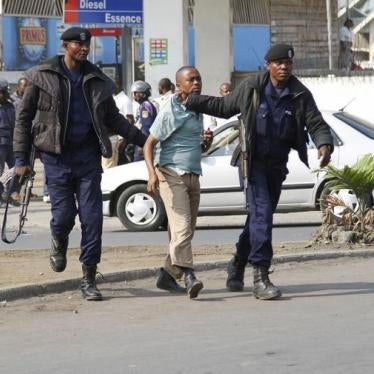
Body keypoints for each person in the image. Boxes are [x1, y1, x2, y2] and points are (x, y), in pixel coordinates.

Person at [185, 44, 333, 300]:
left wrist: (324, 143)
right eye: (278, 63)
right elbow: (224, 107)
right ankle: (260, 277)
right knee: (262, 213)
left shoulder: (300, 93)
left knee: (257, 218)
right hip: (251, 163)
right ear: (269, 65)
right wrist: (193, 101)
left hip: (277, 165)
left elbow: (316, 121)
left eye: (287, 63)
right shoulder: (252, 88)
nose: (284, 67)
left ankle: (237, 263)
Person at [13, 27, 147, 301]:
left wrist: (143, 140)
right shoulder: (42, 76)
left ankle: (88, 278)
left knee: (93, 219)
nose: (84, 48)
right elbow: (23, 120)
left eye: (87, 44)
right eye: (78, 44)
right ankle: (59, 241)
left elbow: (114, 119)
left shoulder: (96, 79)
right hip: (56, 158)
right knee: (63, 217)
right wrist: (20, 160)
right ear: (66, 46)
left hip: (88, 159)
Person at [144, 66, 213, 299]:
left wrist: (205, 143)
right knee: (182, 226)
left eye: (198, 78)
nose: (196, 83)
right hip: (170, 173)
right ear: (178, 86)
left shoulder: (196, 108)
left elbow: (196, 147)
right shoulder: (170, 110)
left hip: (193, 173)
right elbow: (148, 144)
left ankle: (166, 275)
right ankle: (190, 275)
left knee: (186, 230)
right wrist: (152, 174)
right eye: (190, 80)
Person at [131, 80, 157, 161]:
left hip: (143, 143)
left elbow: (146, 127)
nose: (134, 95)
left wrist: (142, 145)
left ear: (143, 93)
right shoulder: (144, 105)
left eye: (136, 92)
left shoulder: (145, 106)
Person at [0, 79, 15, 178]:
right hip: (0, 144)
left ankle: (12, 191)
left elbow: (15, 124)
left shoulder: (10, 106)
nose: (5, 95)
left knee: (14, 169)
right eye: (3, 92)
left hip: (11, 142)